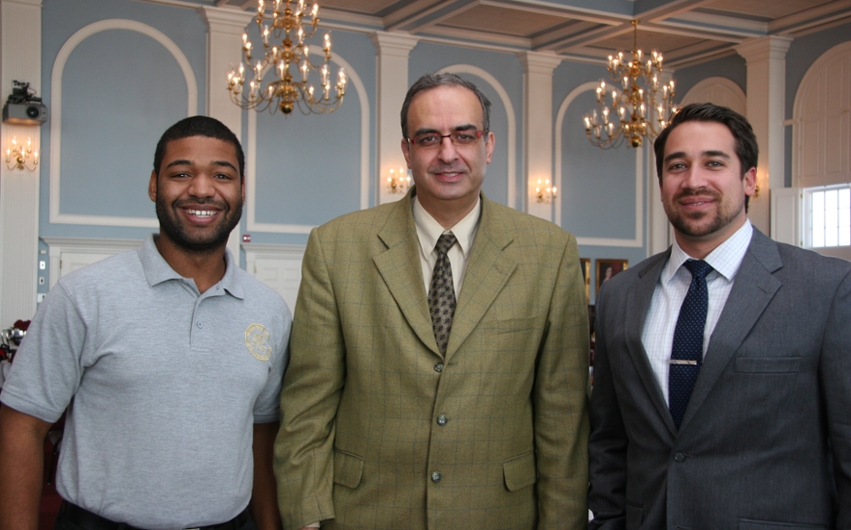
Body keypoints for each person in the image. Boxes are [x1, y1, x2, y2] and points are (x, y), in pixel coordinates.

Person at [274, 73, 589, 530]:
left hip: (499, 515)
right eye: (428, 138)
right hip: (364, 513)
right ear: (407, 151)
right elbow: (308, 405)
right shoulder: (337, 246)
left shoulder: (550, 252)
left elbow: (563, 418)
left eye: (464, 135)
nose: (448, 153)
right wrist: (307, 515)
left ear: (489, 145)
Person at [0, 116, 291, 530]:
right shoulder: (84, 295)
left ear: (242, 190)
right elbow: (22, 428)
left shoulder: (270, 310)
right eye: (181, 173)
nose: (202, 189)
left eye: (222, 175)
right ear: (154, 184)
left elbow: (263, 436)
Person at [588, 103, 851, 529]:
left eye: (714, 163)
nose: (694, 181)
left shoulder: (826, 287)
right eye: (677, 166)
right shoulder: (620, 293)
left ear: (749, 180)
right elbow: (608, 440)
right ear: (660, 184)